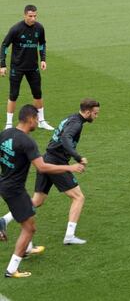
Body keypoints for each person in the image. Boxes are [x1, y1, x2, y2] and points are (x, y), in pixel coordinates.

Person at [0, 105, 84, 278]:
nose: (38, 122)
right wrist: (71, 167)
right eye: (37, 119)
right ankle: (12, 269)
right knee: (29, 229)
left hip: (6, 184)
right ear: (30, 119)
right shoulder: (27, 142)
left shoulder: (5, 134)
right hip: (15, 191)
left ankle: (26, 248)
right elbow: (42, 166)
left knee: (31, 215)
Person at [0, 98, 100, 245]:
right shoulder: (77, 124)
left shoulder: (71, 117)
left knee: (37, 201)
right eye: (95, 113)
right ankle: (69, 236)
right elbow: (66, 138)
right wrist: (77, 157)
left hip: (47, 158)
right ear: (87, 112)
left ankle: (4, 220)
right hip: (56, 162)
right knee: (78, 197)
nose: (96, 116)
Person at [0, 4, 54, 130]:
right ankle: (9, 124)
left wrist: (43, 59)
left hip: (33, 67)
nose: (33, 19)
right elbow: (4, 46)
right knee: (13, 94)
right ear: (25, 15)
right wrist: (2, 65)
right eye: (30, 16)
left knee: (38, 94)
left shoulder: (39, 28)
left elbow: (42, 44)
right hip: (17, 67)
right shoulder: (16, 29)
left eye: (35, 16)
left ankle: (41, 120)